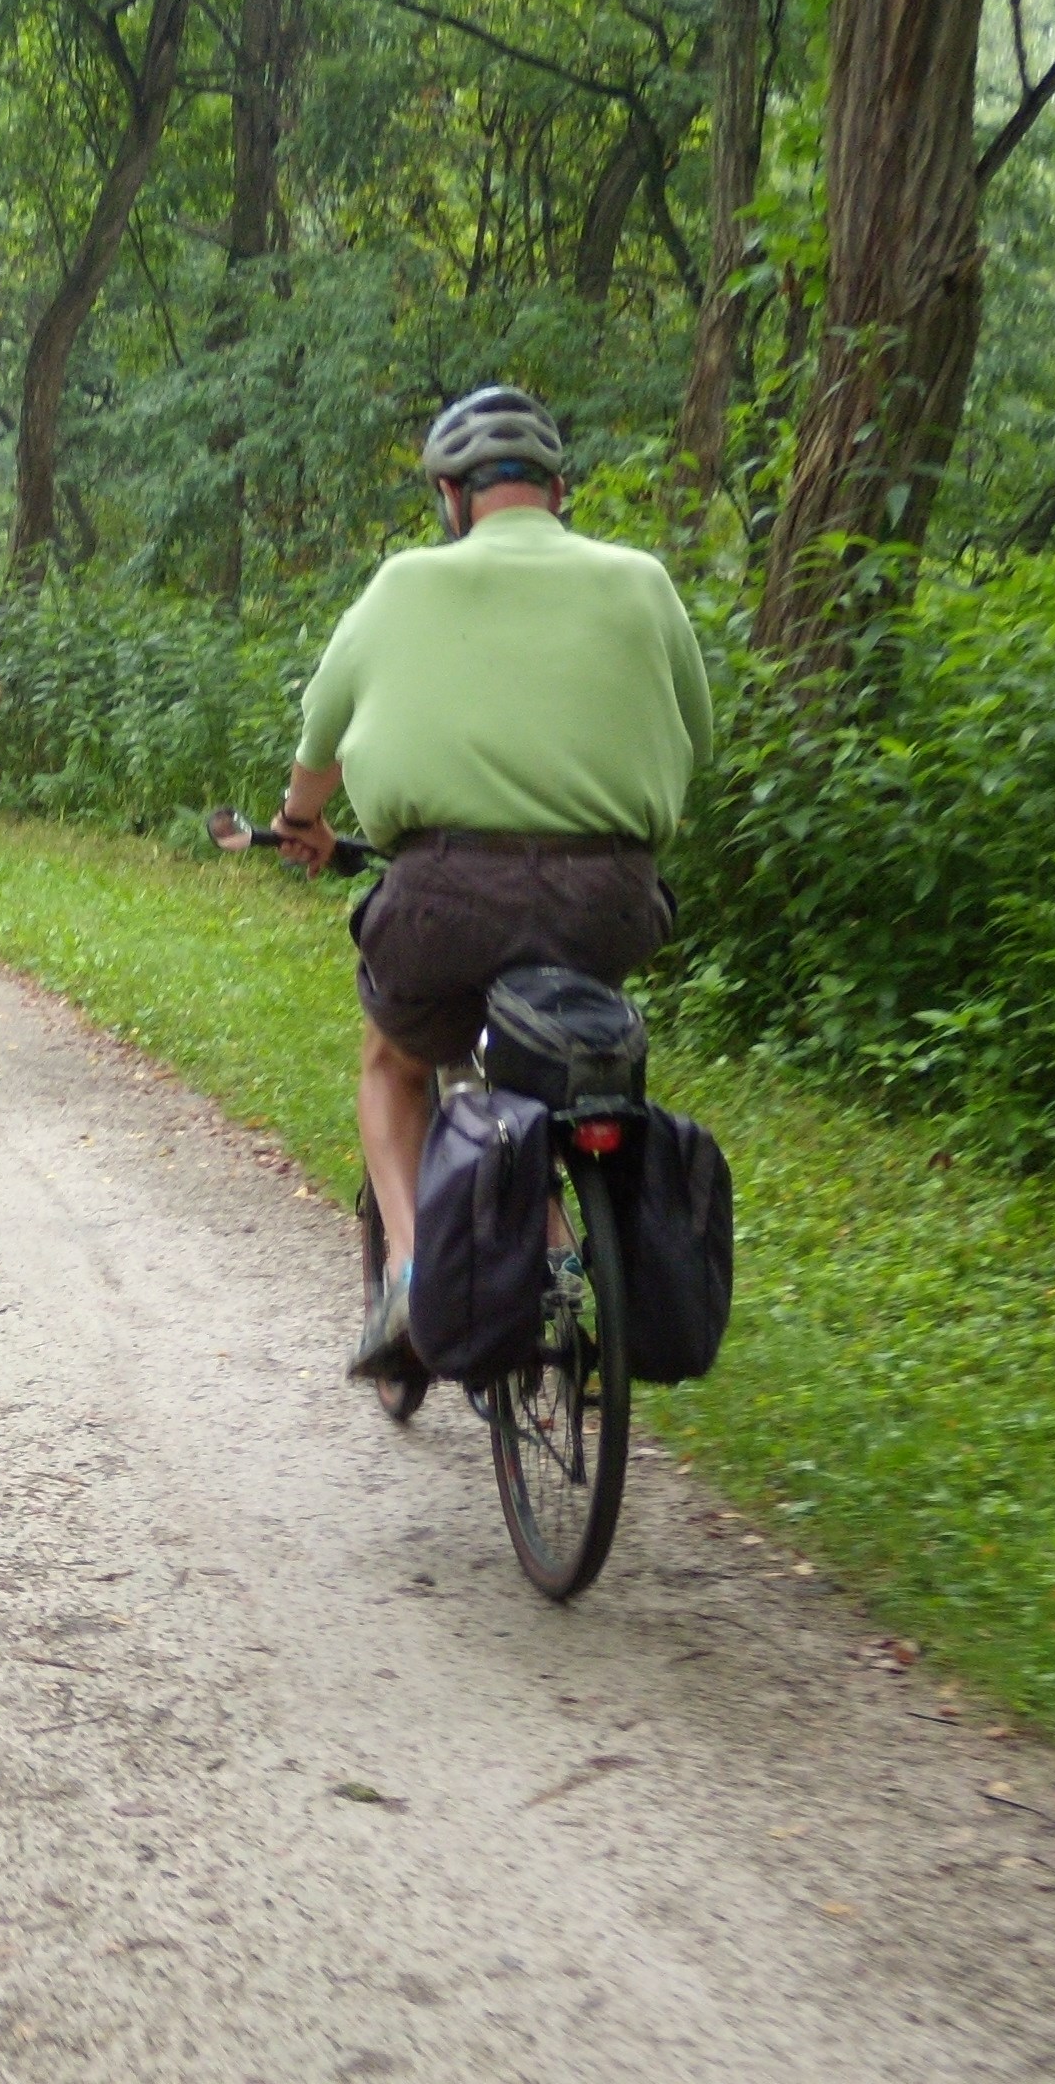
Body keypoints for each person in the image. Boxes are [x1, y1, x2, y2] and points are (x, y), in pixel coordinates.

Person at [268, 385, 712, 1398]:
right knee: (549, 1050)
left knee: (395, 1056)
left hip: (444, 896)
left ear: (448, 496)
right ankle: (557, 1239)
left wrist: (301, 819)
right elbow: (698, 738)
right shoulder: (642, 581)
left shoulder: (401, 586)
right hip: (611, 901)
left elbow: (319, 743)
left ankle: (419, 1274)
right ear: (560, 489)